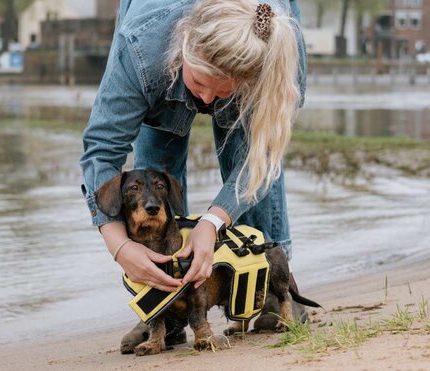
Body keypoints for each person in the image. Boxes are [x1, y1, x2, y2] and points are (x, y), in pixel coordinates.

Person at [80, 0, 306, 353]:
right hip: (158, 53)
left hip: (255, 72)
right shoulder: (141, 49)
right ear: (187, 44)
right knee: (156, 158)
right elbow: (101, 149)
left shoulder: (277, 54)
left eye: (223, 91)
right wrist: (119, 244)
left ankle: (269, 288)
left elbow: (260, 160)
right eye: (199, 81)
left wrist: (212, 222)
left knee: (247, 150)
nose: (206, 99)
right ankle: (165, 304)